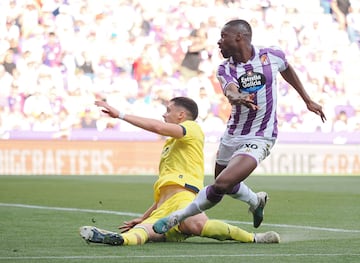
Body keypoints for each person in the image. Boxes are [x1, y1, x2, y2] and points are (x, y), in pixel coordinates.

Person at [152, 19, 327, 235]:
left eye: (223, 36)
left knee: (222, 184)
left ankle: (176, 217)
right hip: (233, 135)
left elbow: (287, 69)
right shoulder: (225, 68)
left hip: (260, 136)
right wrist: (238, 97)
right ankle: (256, 201)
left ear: (239, 37)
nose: (219, 42)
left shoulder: (271, 55)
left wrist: (307, 99)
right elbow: (231, 91)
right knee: (223, 183)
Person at [79, 96, 280, 246]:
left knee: (196, 225)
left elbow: (157, 127)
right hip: (164, 207)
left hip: (184, 198)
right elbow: (164, 195)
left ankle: (255, 238)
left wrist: (120, 115)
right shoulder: (169, 146)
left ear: (181, 115)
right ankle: (119, 240)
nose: (164, 114)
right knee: (143, 232)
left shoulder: (191, 128)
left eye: (168, 110)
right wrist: (144, 216)